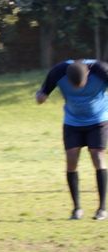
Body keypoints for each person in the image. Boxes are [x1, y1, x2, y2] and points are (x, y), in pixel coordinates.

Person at [35, 59, 108, 220]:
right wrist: (40, 97)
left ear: (88, 74)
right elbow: (43, 93)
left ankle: (102, 209)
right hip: (73, 122)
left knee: (97, 156)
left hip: (98, 120)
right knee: (71, 159)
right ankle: (76, 209)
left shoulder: (101, 71)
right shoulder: (58, 72)